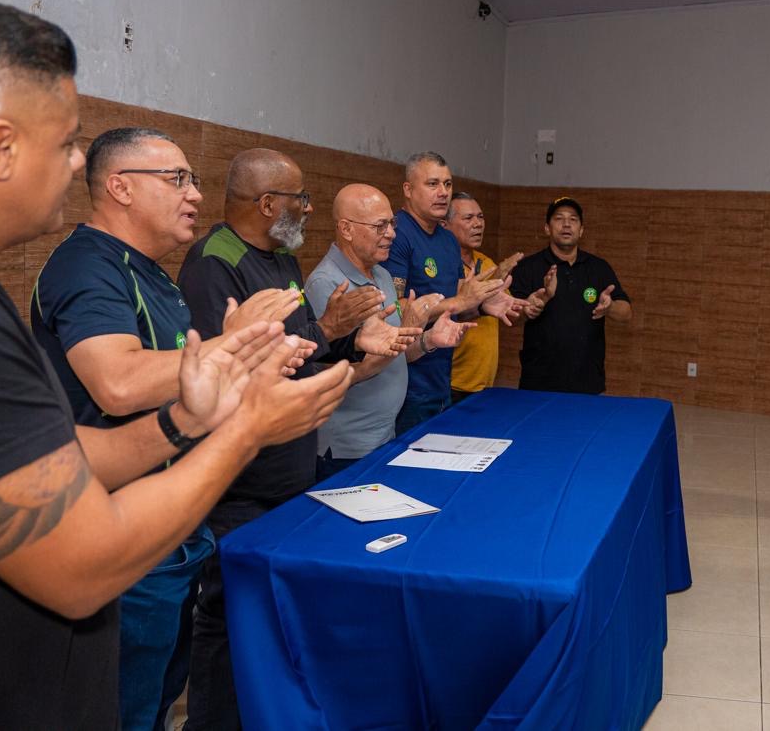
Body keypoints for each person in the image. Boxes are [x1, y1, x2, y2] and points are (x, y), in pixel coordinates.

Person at [0, 3, 351, 728]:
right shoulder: (87, 266)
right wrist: (243, 424)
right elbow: (82, 559)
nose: (75, 164)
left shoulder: (153, 273)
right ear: (3, 145)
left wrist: (189, 414)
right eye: (66, 144)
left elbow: (63, 451)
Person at [30, 127, 303, 730]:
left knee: (156, 700)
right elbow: (119, 382)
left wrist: (245, 361)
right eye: (177, 179)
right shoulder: (87, 264)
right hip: (116, 530)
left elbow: (182, 379)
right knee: (120, 709)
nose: (196, 196)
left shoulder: (152, 272)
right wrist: (230, 344)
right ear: (120, 187)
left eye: (194, 180)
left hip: (170, 526)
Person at [178, 148, 421, 730]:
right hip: (241, 477)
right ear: (267, 204)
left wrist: (350, 341)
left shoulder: (283, 261)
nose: (307, 209)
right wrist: (330, 329)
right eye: (299, 200)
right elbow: (232, 367)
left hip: (290, 468)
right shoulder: (216, 262)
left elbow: (302, 352)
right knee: (223, 617)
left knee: (268, 613)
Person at [307, 184, 474, 479]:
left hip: (385, 434)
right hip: (347, 448)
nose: (392, 234)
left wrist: (427, 340)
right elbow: (331, 373)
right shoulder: (328, 283)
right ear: (346, 229)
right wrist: (402, 336)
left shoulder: (382, 274)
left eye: (392, 223)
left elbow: (395, 353)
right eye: (380, 226)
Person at [385, 152, 515, 434]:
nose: (443, 193)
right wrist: (462, 300)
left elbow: (457, 301)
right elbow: (395, 311)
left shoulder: (446, 239)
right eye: (432, 184)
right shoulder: (396, 234)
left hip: (443, 379)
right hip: (406, 385)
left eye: (447, 184)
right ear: (408, 189)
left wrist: (481, 306)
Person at [509, 196, 633, 394]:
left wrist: (609, 307)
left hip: (588, 381)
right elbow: (509, 318)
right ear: (547, 228)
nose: (566, 224)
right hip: (538, 382)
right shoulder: (528, 268)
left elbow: (626, 313)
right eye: (559, 218)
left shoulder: (599, 268)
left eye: (573, 219)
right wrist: (528, 309)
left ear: (581, 230)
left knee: (587, 426)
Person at [445, 191, 514, 404]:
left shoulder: (487, 263)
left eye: (481, 217)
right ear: (444, 225)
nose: (478, 224)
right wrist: (479, 305)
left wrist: (535, 303)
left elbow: (508, 311)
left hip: (485, 385)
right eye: (468, 218)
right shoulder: (441, 266)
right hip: (451, 385)